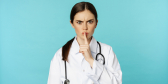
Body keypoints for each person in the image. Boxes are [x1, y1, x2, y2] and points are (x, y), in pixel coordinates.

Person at [47, 1, 122, 84]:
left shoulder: (107, 51)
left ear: (96, 23)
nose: (85, 27)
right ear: (72, 23)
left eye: (90, 22)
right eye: (79, 22)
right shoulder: (60, 55)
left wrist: (91, 60)